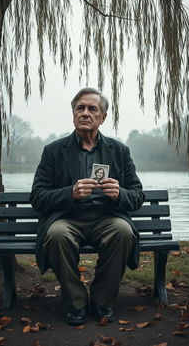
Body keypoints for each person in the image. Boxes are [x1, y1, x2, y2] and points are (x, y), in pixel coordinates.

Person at [30, 87, 144, 325]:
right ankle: (76, 302)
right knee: (57, 234)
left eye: (92, 109)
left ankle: (103, 301)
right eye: (79, 108)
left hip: (107, 218)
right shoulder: (53, 151)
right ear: (73, 114)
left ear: (102, 117)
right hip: (67, 219)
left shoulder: (119, 151)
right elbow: (38, 197)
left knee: (123, 231)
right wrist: (69, 193)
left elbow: (137, 195)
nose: (85, 113)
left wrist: (119, 194)